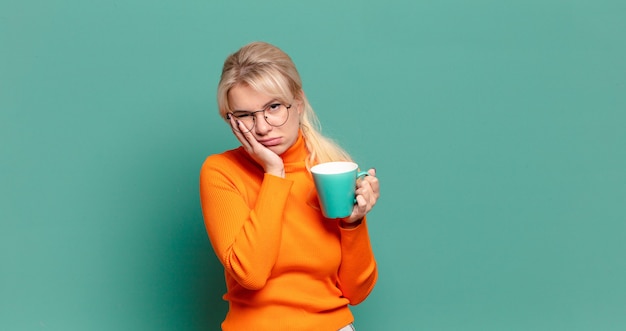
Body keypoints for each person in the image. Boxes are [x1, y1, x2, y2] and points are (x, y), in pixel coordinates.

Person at [199, 41, 380, 331]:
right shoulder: (221, 172)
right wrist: (274, 171)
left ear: (298, 103)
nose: (261, 127)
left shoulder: (330, 168)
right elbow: (251, 275)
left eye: (273, 107)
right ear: (231, 120)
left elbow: (356, 292)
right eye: (245, 115)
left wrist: (353, 224)